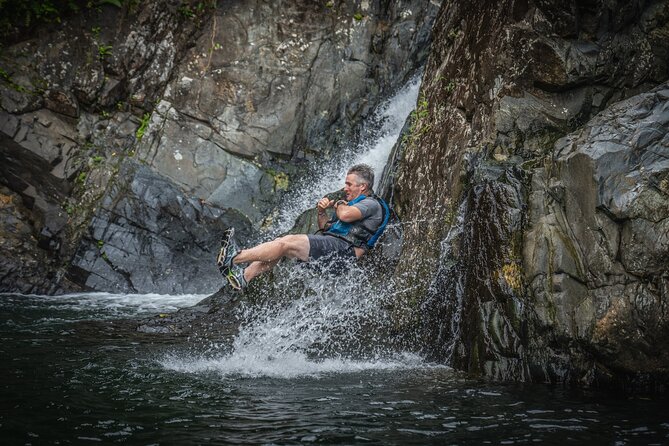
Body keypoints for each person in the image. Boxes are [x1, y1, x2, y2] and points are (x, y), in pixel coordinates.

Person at [216, 163, 389, 291]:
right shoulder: (352, 205)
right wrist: (321, 212)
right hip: (336, 249)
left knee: (286, 243)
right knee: (280, 244)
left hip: (345, 254)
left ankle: (234, 257)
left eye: (349, 184)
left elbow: (344, 215)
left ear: (363, 186)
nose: (345, 188)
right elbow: (327, 229)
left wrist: (340, 204)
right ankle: (244, 276)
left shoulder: (371, 204)